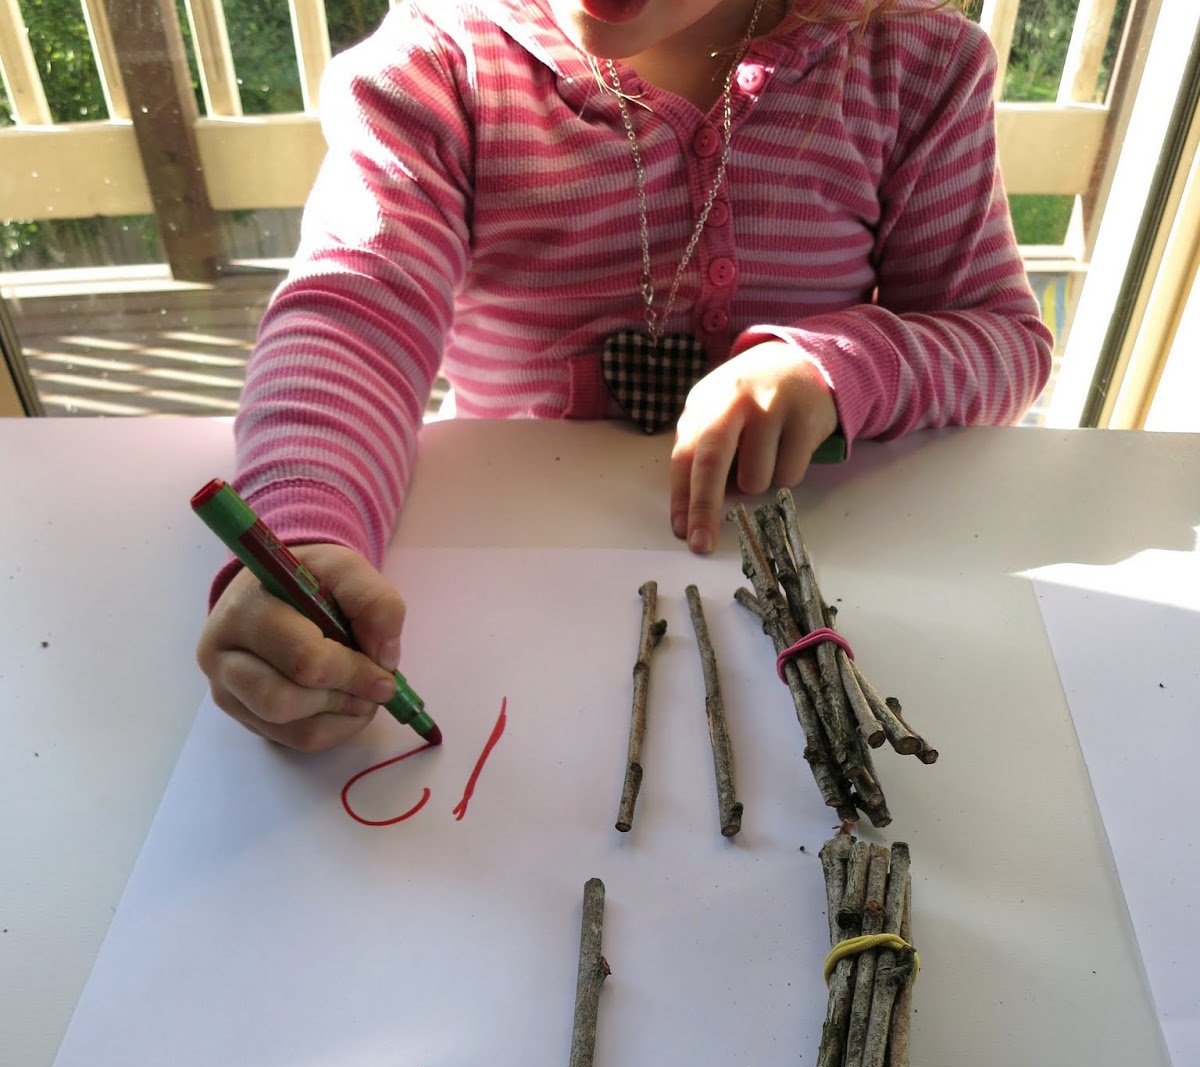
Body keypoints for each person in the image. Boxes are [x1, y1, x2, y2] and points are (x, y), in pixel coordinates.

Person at [197, 0, 1053, 752]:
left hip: (835, 588)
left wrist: (841, 369)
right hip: (522, 591)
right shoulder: (439, 70)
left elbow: (1002, 340)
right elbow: (354, 319)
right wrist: (304, 533)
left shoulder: (911, 67)